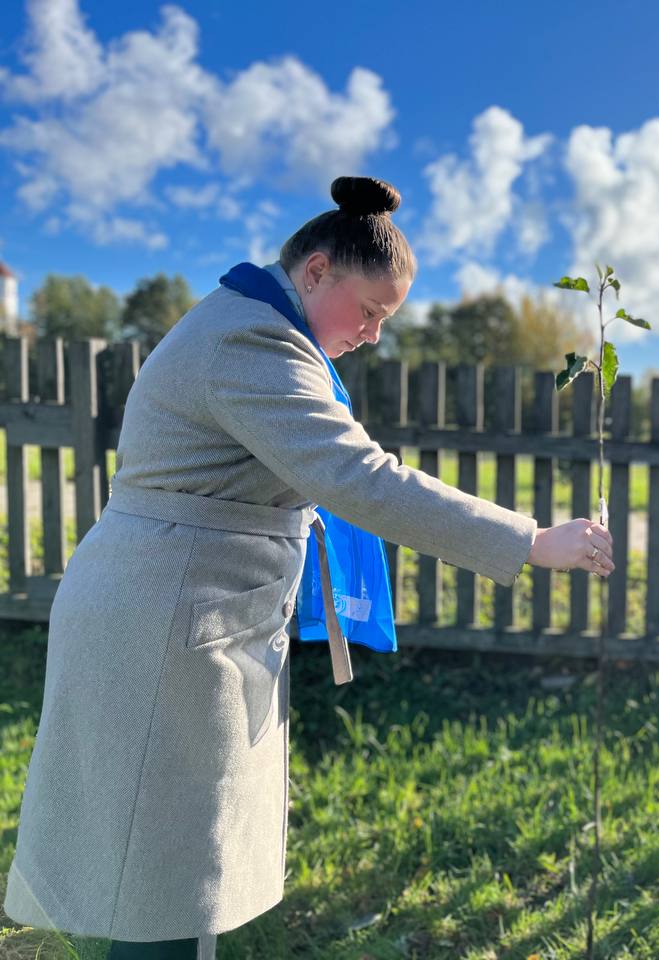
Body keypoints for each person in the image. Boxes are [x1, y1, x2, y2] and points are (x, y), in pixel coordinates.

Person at [3, 176, 613, 960]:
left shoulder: (256, 327)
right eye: (369, 312)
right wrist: (529, 541)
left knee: (168, 867)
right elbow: (359, 478)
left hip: (180, 609)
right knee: (165, 877)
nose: (372, 335)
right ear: (316, 271)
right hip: (166, 624)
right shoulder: (251, 343)